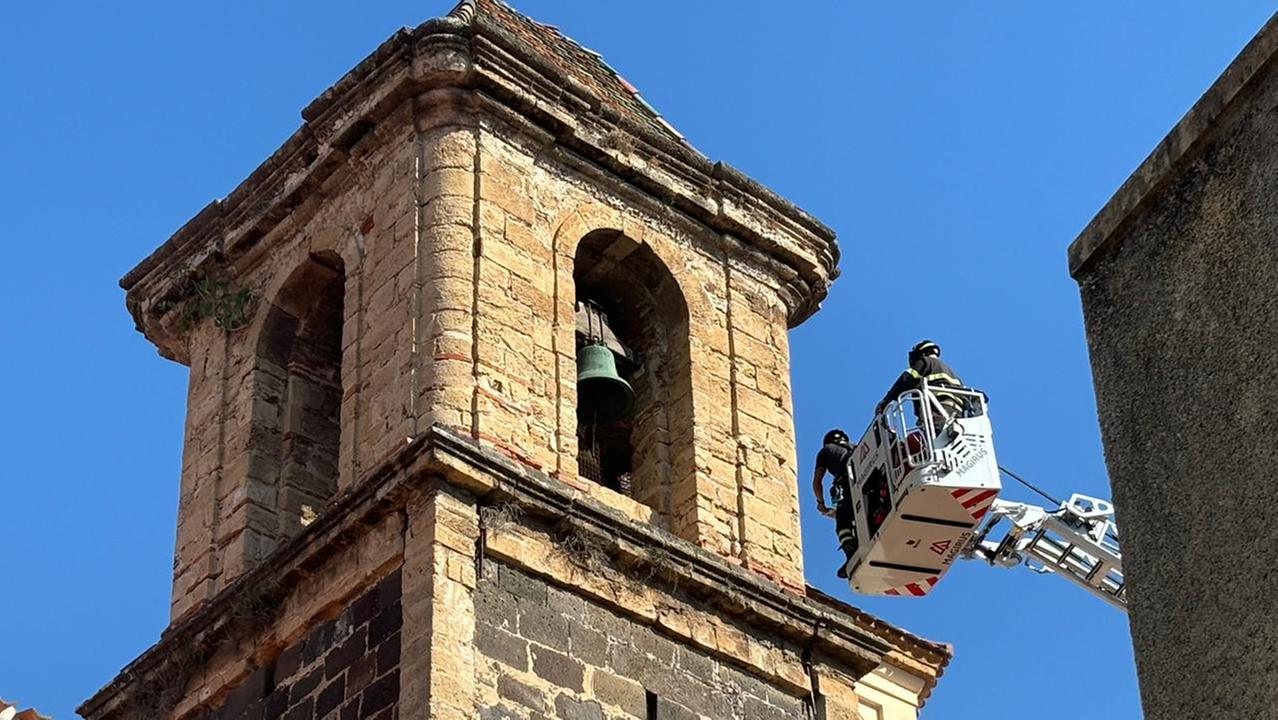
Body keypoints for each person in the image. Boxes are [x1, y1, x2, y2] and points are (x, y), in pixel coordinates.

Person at [874, 340, 966, 424]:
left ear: (922, 354)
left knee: (931, 436)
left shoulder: (925, 362)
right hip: (957, 414)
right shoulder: (955, 376)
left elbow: (905, 380)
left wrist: (885, 402)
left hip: (936, 409)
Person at [812, 428, 860, 578]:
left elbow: (817, 482)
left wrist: (821, 503)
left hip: (847, 482)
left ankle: (851, 553)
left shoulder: (825, 451)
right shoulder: (856, 446)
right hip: (868, 478)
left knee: (843, 522)